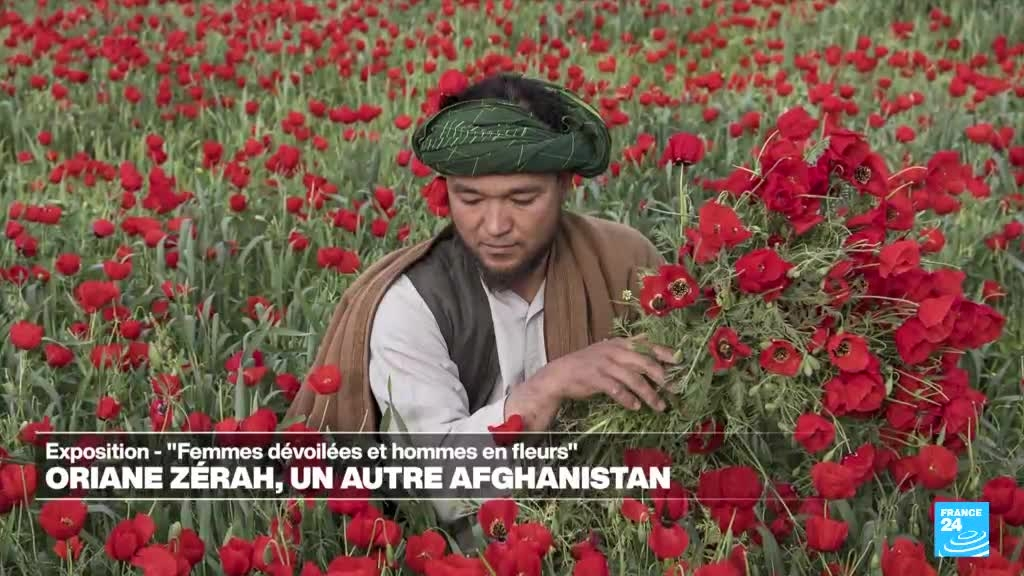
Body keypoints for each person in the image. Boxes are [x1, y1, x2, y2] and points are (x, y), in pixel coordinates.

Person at [284, 72, 678, 526]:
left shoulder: (624, 262)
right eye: (470, 199)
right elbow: (432, 490)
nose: (494, 226)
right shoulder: (413, 304)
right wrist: (545, 389)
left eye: (522, 199)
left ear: (565, 185)